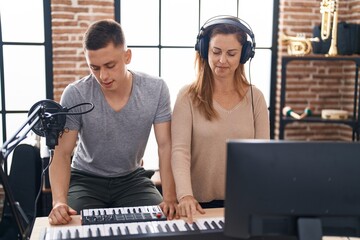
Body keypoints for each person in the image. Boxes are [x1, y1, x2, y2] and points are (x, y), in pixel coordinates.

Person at [48, 19, 178, 225]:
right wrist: (58, 202)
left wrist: (170, 197)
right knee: (70, 225)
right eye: (95, 68)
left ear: (127, 56)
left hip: (132, 180)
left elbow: (165, 146)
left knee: (161, 223)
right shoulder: (75, 93)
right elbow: (62, 153)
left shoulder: (156, 89)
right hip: (86, 180)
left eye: (110, 65)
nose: (103, 76)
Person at [171, 15, 270, 222]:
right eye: (216, 52)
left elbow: (262, 154)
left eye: (231, 54)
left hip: (243, 203)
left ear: (244, 55)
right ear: (204, 49)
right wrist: (185, 196)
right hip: (197, 205)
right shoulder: (187, 96)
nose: (222, 60)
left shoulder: (256, 98)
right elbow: (179, 151)